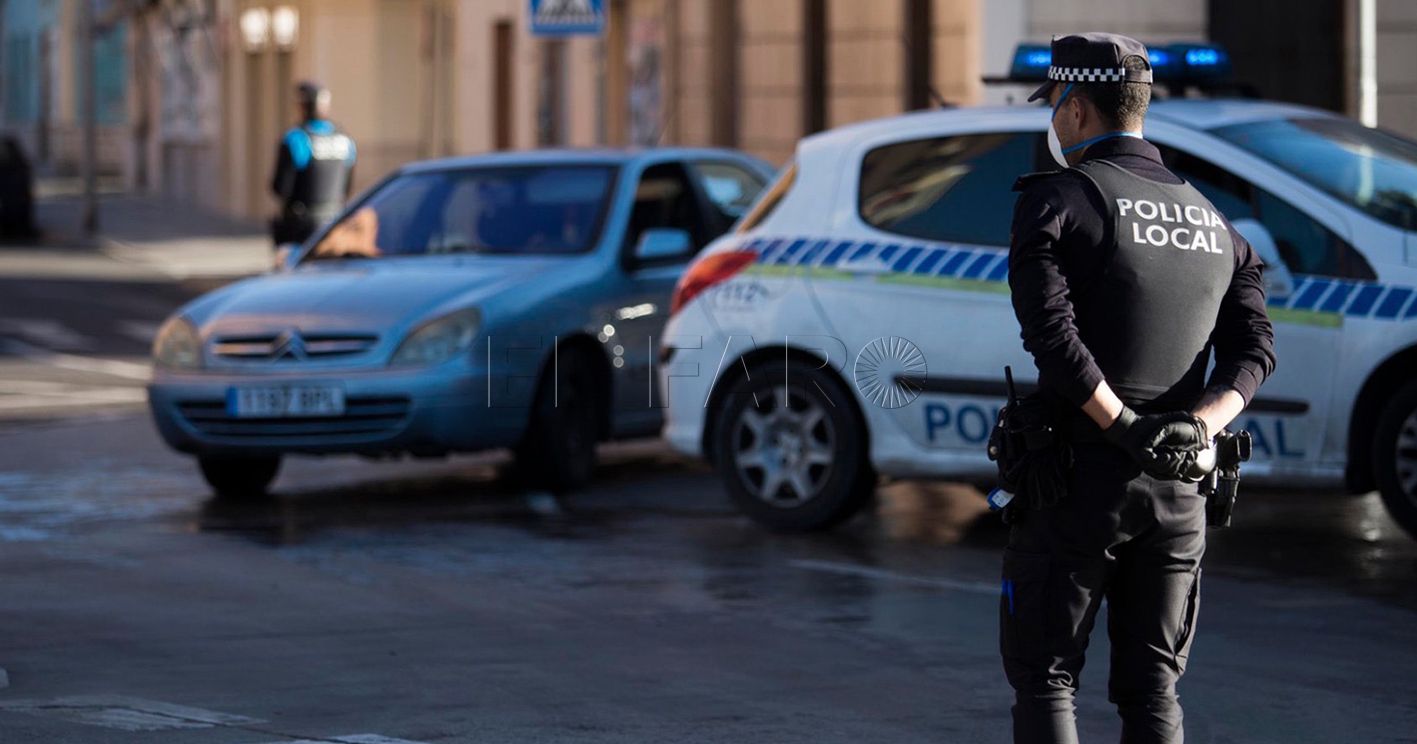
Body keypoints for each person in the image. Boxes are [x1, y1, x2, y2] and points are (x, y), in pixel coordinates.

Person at [1000, 33, 1277, 744]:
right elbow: (1254, 352)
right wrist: (1197, 428)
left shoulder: (1059, 201)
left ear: (1077, 108)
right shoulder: (1216, 224)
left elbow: (1053, 339)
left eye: (1053, 105)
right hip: (1179, 487)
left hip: (1073, 481)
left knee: (1046, 678)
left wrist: (1121, 424)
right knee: (1153, 691)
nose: (1052, 120)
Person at [270, 81, 356, 245]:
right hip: (335, 221)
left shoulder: (296, 138)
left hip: (301, 226)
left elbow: (281, 187)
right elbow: (347, 186)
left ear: (302, 106)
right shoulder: (345, 139)